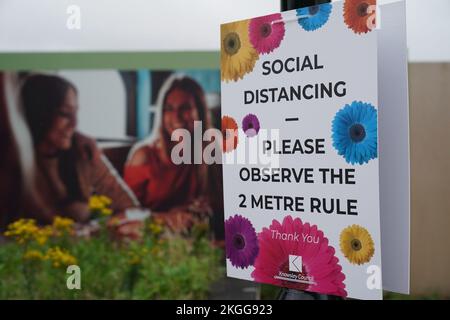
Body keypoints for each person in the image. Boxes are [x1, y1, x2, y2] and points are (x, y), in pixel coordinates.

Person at [18, 74, 139, 225]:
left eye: (76, 113)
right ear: (39, 114)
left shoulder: (85, 152)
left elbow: (130, 207)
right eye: (65, 114)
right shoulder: (15, 161)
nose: (75, 123)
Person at [124, 75, 223, 232]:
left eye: (184, 108)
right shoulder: (143, 155)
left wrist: (205, 206)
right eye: (168, 109)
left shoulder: (212, 149)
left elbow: (220, 202)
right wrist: (169, 218)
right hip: (150, 236)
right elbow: (125, 214)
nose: (176, 116)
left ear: (200, 111)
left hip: (194, 234)